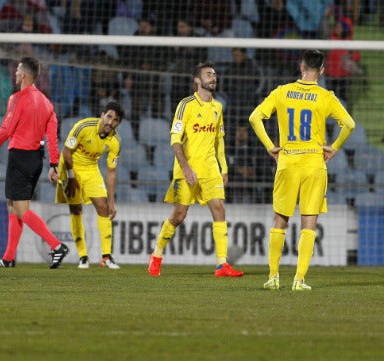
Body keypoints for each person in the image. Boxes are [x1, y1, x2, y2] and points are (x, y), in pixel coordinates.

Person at [249, 49, 355, 291]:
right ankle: (299, 280)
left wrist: (270, 147)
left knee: (280, 218)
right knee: (309, 221)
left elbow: (255, 118)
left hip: (287, 160)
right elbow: (349, 124)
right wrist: (335, 147)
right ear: (322, 71)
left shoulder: (282, 92)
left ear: (301, 67)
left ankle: (273, 277)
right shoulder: (325, 96)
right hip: (313, 163)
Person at [147, 61, 244, 278]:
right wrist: (186, 168)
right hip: (187, 170)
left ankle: (222, 264)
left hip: (210, 169)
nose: (213, 77)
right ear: (197, 80)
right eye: (209, 74)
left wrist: (224, 168)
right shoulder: (186, 105)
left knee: (219, 209)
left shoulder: (218, 108)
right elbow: (175, 140)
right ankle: (157, 254)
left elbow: (219, 141)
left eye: (215, 74)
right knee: (179, 215)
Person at [0, 56, 69, 269]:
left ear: (25, 75)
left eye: (18, 70)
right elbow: (52, 136)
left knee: (21, 210)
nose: (15, 73)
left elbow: (7, 129)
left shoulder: (17, 98)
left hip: (19, 156)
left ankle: (56, 246)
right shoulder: (47, 103)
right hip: (36, 159)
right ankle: (9, 258)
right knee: (13, 206)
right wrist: (53, 165)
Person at [56, 100, 125, 269]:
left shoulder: (116, 141)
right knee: (76, 209)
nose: (110, 122)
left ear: (119, 123)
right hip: (70, 166)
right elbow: (66, 152)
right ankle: (83, 257)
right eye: (108, 116)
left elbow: (111, 172)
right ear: (102, 115)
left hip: (91, 168)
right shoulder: (83, 126)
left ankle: (106, 257)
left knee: (103, 208)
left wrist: (112, 201)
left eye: (115, 120)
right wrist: (71, 177)